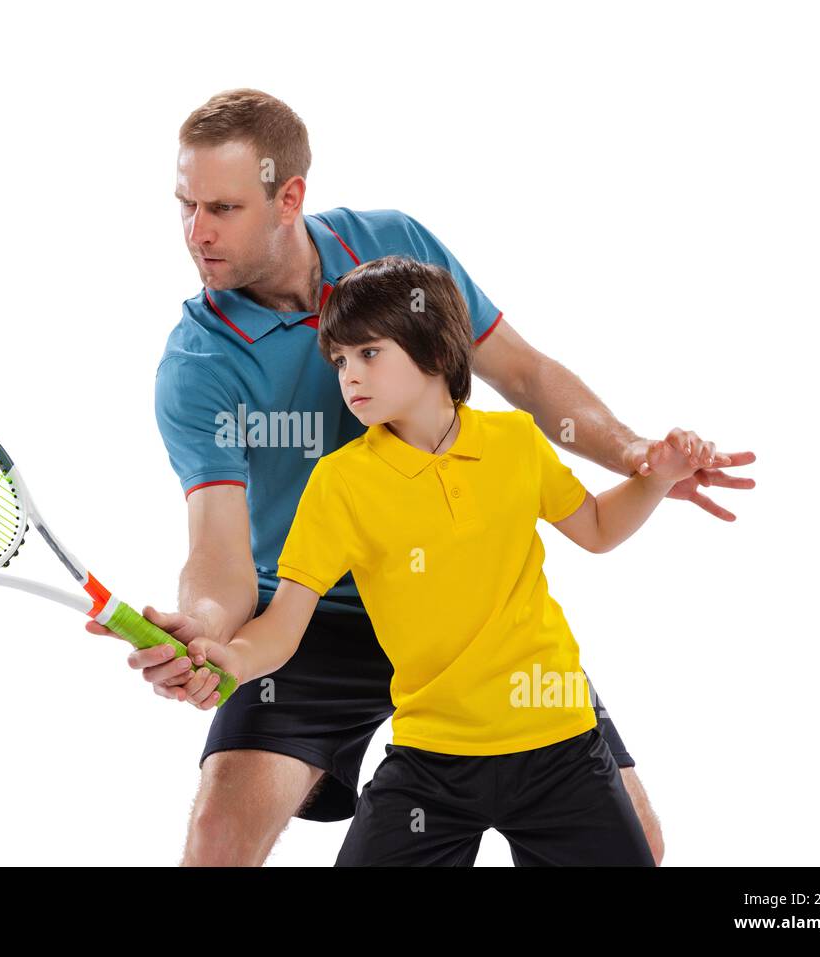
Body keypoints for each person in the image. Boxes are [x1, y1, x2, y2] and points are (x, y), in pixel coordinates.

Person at [85, 88, 755, 866]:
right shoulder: (197, 365)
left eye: (224, 207)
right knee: (217, 841)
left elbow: (525, 375)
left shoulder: (397, 254)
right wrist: (205, 629)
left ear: (289, 195)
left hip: (466, 614)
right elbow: (221, 552)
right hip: (310, 618)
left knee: (635, 841)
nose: (197, 232)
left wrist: (640, 457)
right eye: (185, 205)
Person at [174, 255, 701, 865]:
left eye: (369, 353)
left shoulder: (515, 445)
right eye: (340, 361)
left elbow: (601, 528)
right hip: (433, 764)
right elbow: (284, 627)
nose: (349, 375)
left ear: (435, 349)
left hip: (561, 748)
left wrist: (658, 477)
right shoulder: (340, 483)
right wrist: (230, 657)